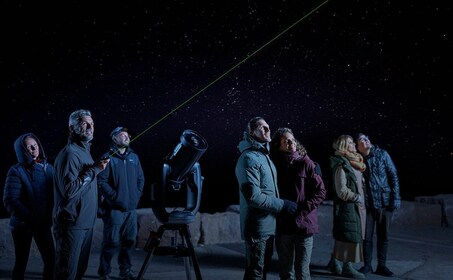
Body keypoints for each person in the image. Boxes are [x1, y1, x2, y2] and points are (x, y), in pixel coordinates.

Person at [235, 117, 298, 280]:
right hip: (258, 228)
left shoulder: (263, 156)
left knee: (261, 271)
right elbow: (253, 197)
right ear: (251, 132)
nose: (267, 130)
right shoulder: (249, 158)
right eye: (262, 128)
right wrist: (282, 204)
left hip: (268, 225)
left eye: (268, 127)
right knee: (255, 272)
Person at [53, 109, 109, 280]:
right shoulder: (70, 154)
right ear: (72, 128)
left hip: (85, 223)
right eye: (85, 123)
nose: (90, 127)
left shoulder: (85, 151)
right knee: (67, 273)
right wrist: (95, 170)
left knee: (78, 272)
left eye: (92, 123)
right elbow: (69, 190)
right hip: (72, 224)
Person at [270, 128, 326, 280]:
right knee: (286, 272)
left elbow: (320, 192)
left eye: (292, 140)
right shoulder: (274, 165)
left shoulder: (306, 163)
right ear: (278, 145)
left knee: (302, 271)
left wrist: (301, 210)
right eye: (285, 141)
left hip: (304, 226)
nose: (290, 143)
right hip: (284, 226)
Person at [3, 133, 55, 280]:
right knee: (21, 262)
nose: (33, 149)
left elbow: (55, 195)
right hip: (22, 226)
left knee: (51, 260)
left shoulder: (48, 168)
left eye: (35, 145)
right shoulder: (16, 171)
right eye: (29, 147)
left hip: (43, 224)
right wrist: (30, 217)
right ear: (22, 150)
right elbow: (10, 199)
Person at [97, 127, 145, 280]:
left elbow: (140, 179)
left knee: (129, 241)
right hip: (114, 210)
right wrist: (115, 198)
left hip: (131, 210)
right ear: (114, 139)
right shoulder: (107, 157)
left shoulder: (134, 157)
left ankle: (125, 271)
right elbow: (101, 181)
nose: (126, 137)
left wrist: (136, 196)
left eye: (128, 135)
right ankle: (104, 273)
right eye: (122, 135)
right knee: (111, 242)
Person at [355, 133, 401, 277]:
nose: (366, 140)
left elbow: (393, 175)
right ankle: (367, 265)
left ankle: (382, 266)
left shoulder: (382, 154)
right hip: (367, 205)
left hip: (384, 203)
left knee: (383, 236)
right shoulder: (358, 159)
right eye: (361, 140)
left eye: (366, 138)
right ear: (358, 147)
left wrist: (396, 198)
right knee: (366, 237)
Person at [328, 135, 366, 279]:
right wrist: (356, 197)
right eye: (350, 143)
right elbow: (341, 191)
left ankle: (334, 262)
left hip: (358, 206)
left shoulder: (354, 161)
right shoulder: (341, 164)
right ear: (343, 146)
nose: (354, 144)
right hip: (349, 206)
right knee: (349, 237)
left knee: (348, 235)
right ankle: (347, 267)